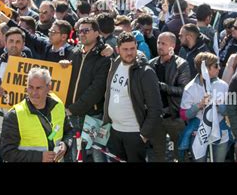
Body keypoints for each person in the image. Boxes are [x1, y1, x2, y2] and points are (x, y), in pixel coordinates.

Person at [103, 32, 162, 162]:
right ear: (118, 50)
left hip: (134, 134)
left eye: (132, 48)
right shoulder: (116, 64)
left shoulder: (145, 72)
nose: (129, 53)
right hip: (114, 131)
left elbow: (156, 107)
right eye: (125, 49)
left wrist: (144, 135)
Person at [61, 17, 111, 162]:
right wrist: (64, 67)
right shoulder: (75, 52)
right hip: (72, 113)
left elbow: (97, 89)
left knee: (98, 154)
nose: (82, 34)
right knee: (76, 154)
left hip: (93, 115)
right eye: (79, 31)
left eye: (86, 30)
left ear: (97, 33)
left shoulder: (104, 56)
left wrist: (73, 109)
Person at [1, 67, 73, 162]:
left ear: (49, 88)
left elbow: (69, 132)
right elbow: (7, 153)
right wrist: (39, 157)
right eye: (30, 87)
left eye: (39, 88)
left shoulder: (58, 105)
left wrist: (66, 144)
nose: (34, 93)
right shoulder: (14, 115)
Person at [179, 52, 231, 162]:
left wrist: (216, 104)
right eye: (216, 65)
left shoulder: (223, 85)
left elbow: (228, 111)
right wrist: (200, 105)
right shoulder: (190, 88)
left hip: (220, 131)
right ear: (205, 68)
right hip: (198, 131)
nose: (219, 68)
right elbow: (184, 115)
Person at [148, 32, 191, 161]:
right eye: (158, 43)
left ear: (172, 46)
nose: (160, 46)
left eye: (163, 43)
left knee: (180, 153)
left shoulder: (181, 64)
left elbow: (185, 91)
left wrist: (162, 86)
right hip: (156, 116)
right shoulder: (152, 63)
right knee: (158, 153)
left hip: (174, 116)